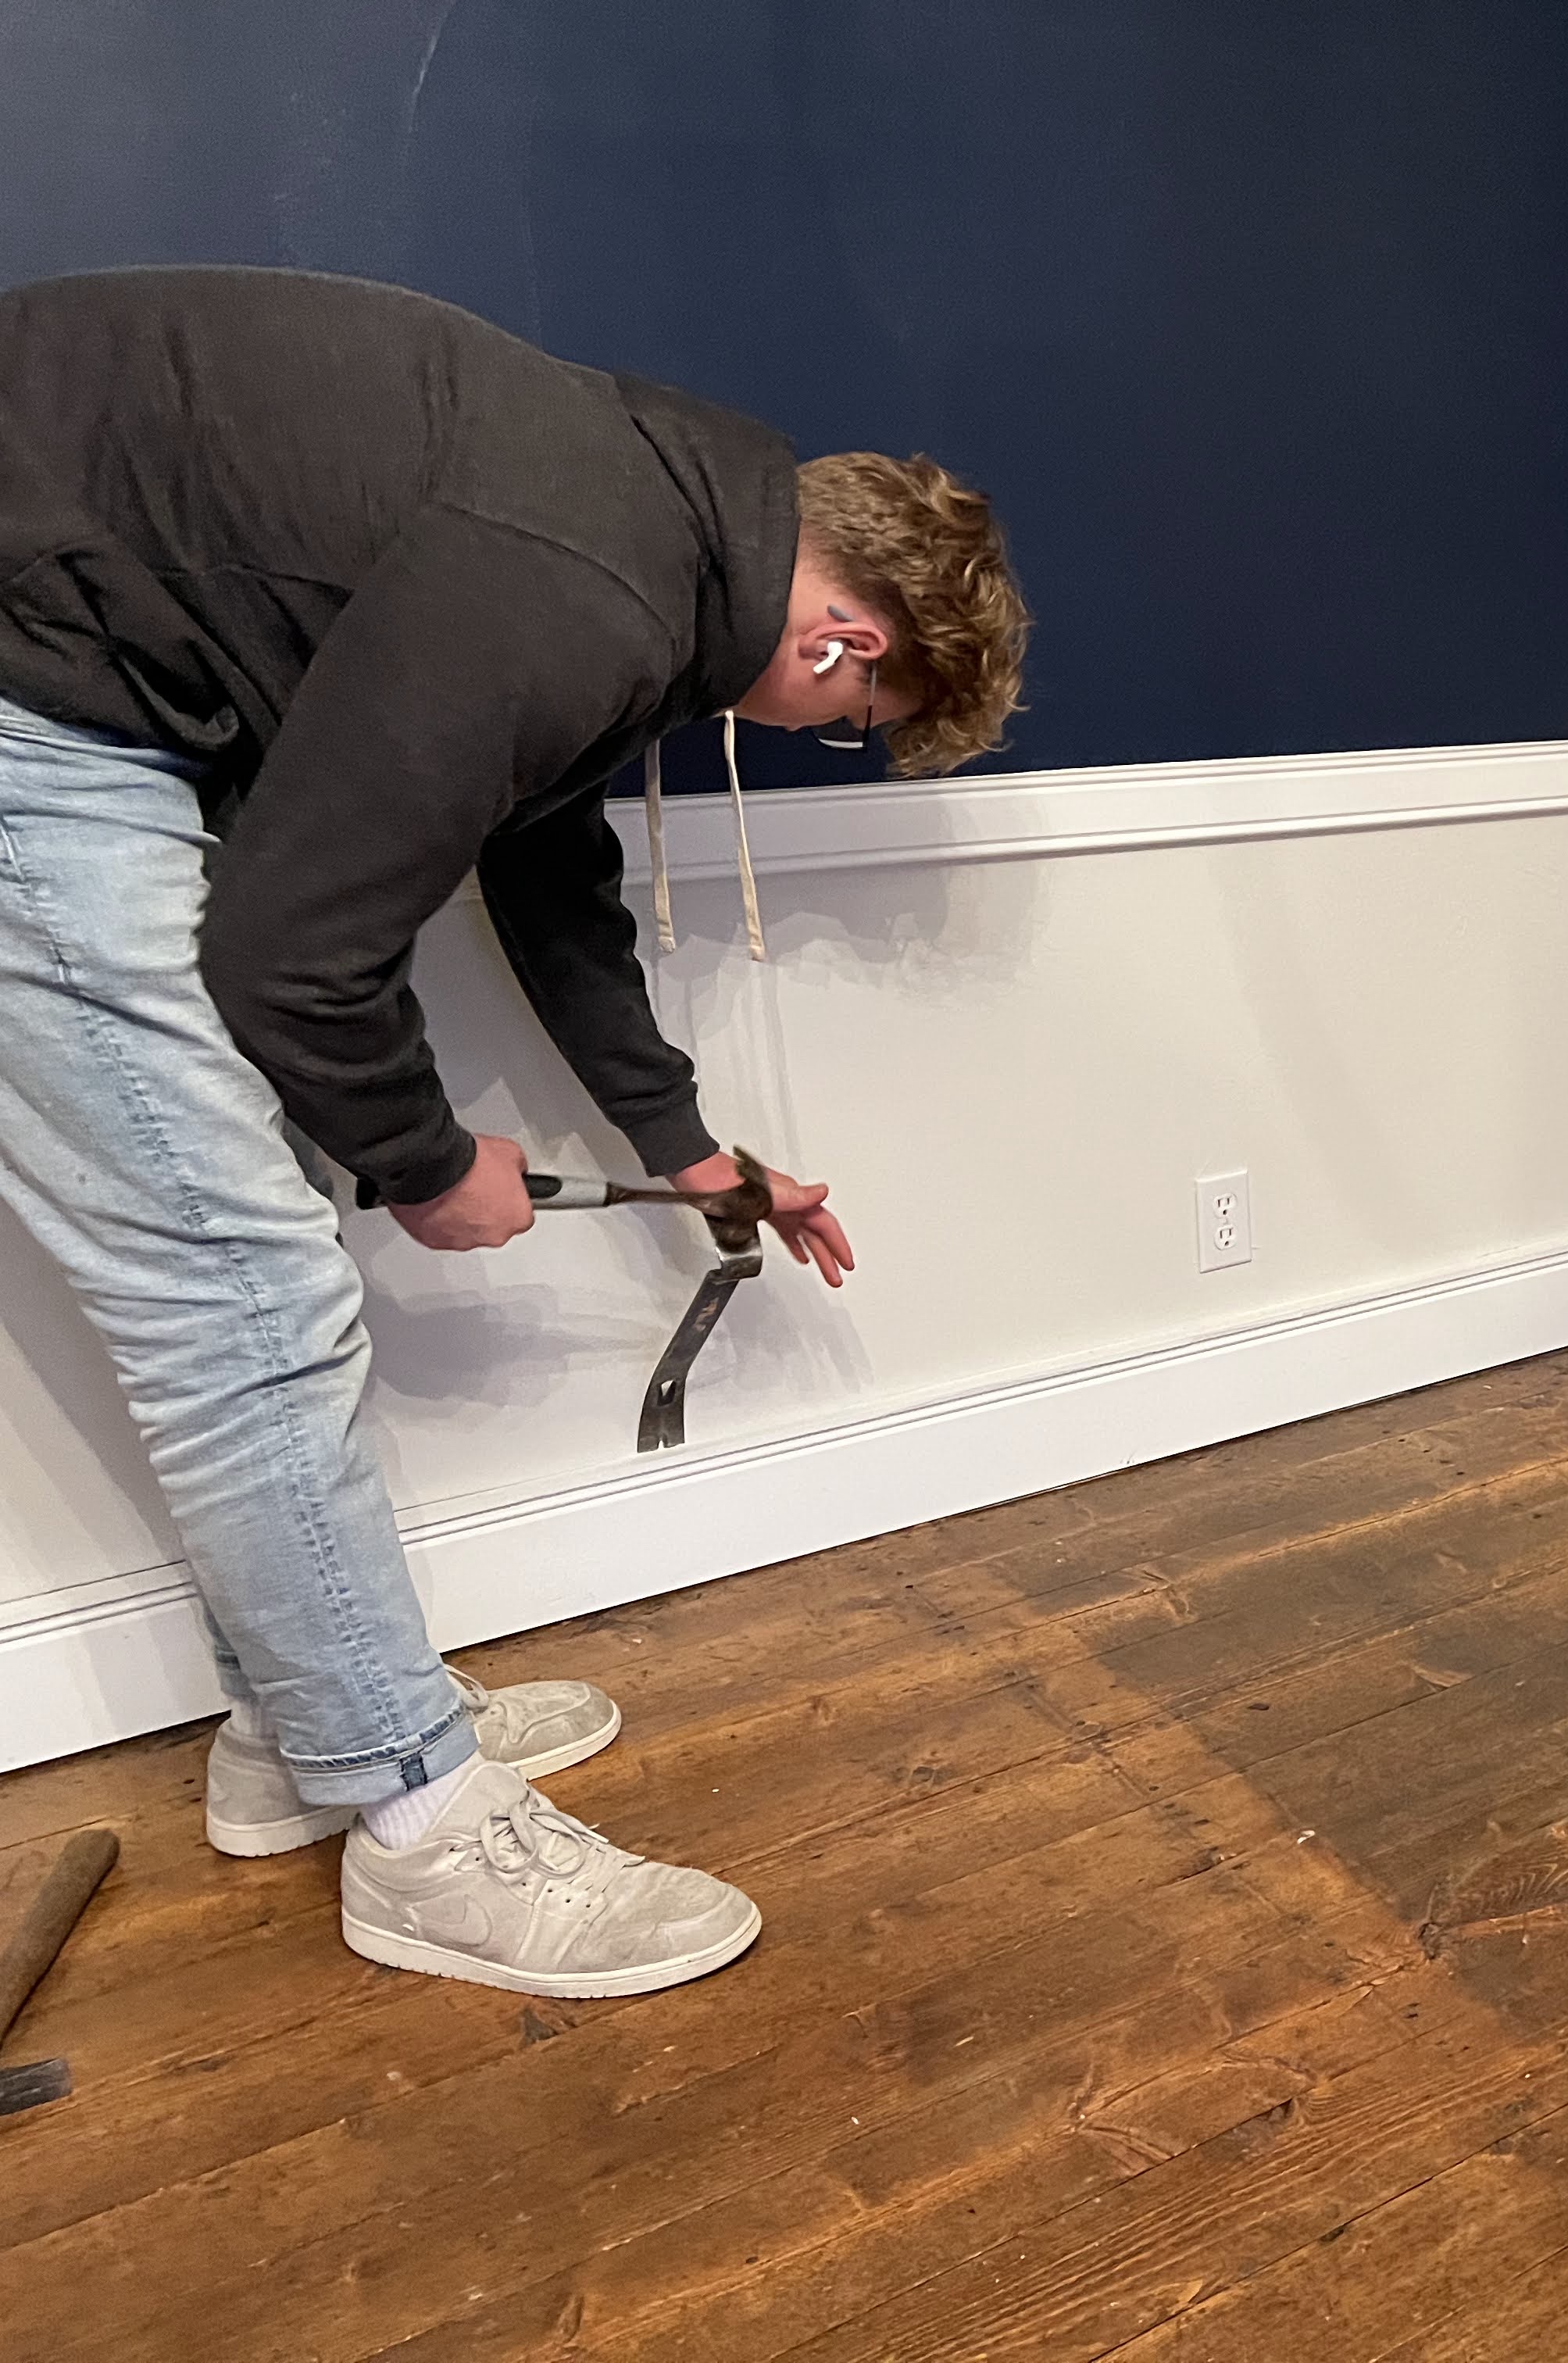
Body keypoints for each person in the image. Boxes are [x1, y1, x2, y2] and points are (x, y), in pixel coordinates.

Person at [0, 266, 1028, 1995]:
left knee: (246, 1252)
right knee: (241, 1288)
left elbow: (549, 871)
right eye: (854, 724)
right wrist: (424, 1160)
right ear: (848, 643)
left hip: (62, 668)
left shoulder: (651, 520)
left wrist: (691, 1150)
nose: (822, 734)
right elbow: (289, 948)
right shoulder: (591, 574)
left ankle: (301, 1730)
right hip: (28, 697)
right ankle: (418, 1831)